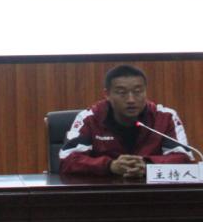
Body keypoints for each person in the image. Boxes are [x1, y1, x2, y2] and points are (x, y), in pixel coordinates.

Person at [59, 64, 194, 177]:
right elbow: (67, 159)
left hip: (153, 193)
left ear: (145, 92)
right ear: (107, 94)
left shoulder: (165, 117)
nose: (131, 100)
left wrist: (147, 165)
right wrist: (110, 165)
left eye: (138, 91)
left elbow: (184, 158)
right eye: (122, 93)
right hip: (104, 193)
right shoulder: (90, 118)